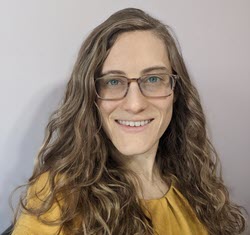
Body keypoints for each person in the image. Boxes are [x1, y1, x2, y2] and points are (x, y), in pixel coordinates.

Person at [12, 8, 246, 235]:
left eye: (153, 78)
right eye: (113, 82)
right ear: (90, 95)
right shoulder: (59, 196)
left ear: (176, 92)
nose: (135, 104)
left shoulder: (198, 190)